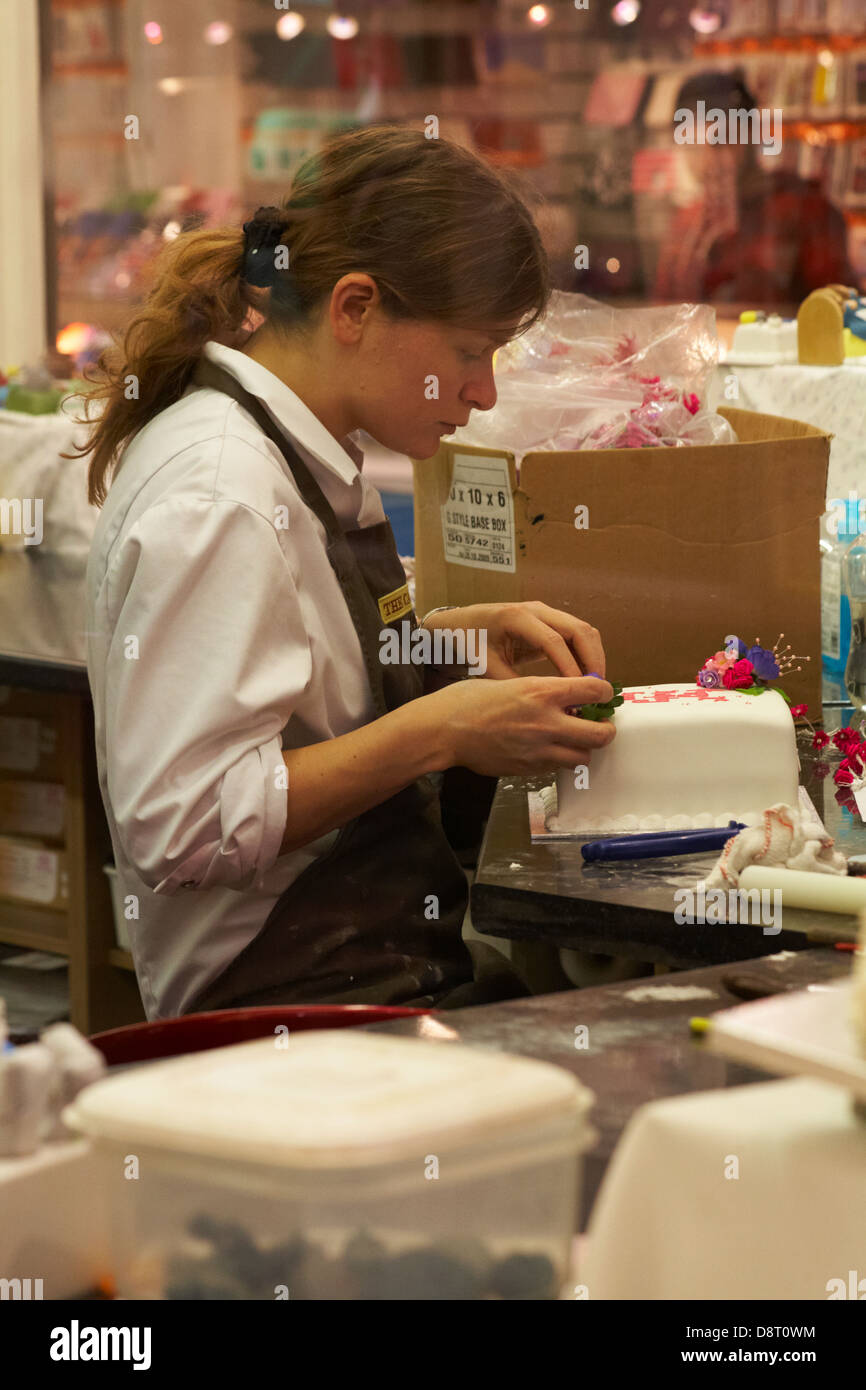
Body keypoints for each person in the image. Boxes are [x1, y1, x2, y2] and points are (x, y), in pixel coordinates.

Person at [74, 125, 614, 1020]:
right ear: (356, 308)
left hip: (377, 969)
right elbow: (182, 824)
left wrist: (462, 645)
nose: (484, 393)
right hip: (279, 1016)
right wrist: (441, 731)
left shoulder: (298, 454)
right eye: (470, 352)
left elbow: (306, 676)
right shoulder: (224, 497)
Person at [654, 70, 857, 306]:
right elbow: (665, 313)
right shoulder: (686, 223)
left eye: (721, 139)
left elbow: (838, 313)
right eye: (692, 142)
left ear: (750, 136)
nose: (708, 159)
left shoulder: (804, 209)